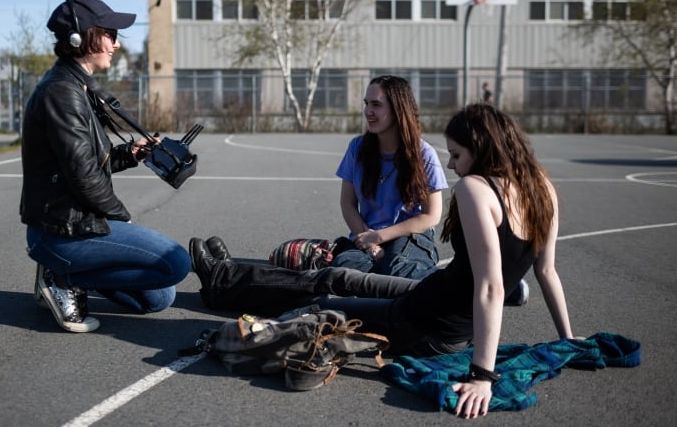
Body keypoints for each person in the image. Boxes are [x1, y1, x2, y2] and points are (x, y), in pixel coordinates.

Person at [188, 103, 577, 419]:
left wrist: (482, 376)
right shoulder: (542, 186)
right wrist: (568, 339)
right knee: (340, 276)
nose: (454, 165)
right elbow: (547, 272)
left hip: (429, 324)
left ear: (483, 148)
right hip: (433, 298)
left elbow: (491, 287)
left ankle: (222, 284)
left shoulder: (477, 188)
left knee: (323, 304)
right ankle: (225, 276)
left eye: (457, 155)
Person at [20, 0, 191, 333]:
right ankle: (61, 277)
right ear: (80, 37)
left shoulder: (77, 88)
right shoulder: (62, 93)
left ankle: (68, 274)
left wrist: (131, 154)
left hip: (75, 222)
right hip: (60, 230)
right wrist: (119, 214)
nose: (116, 43)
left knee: (158, 297)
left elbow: (86, 162)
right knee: (175, 262)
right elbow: (83, 176)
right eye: (109, 33)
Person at [330, 75, 447, 280]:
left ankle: (468, 285)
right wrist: (371, 244)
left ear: (398, 109)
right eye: (366, 104)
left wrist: (380, 236)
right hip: (366, 237)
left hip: (411, 236)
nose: (368, 111)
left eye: (376, 104)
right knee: (345, 270)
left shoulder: (424, 154)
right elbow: (347, 204)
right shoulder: (357, 148)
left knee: (397, 270)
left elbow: (431, 216)